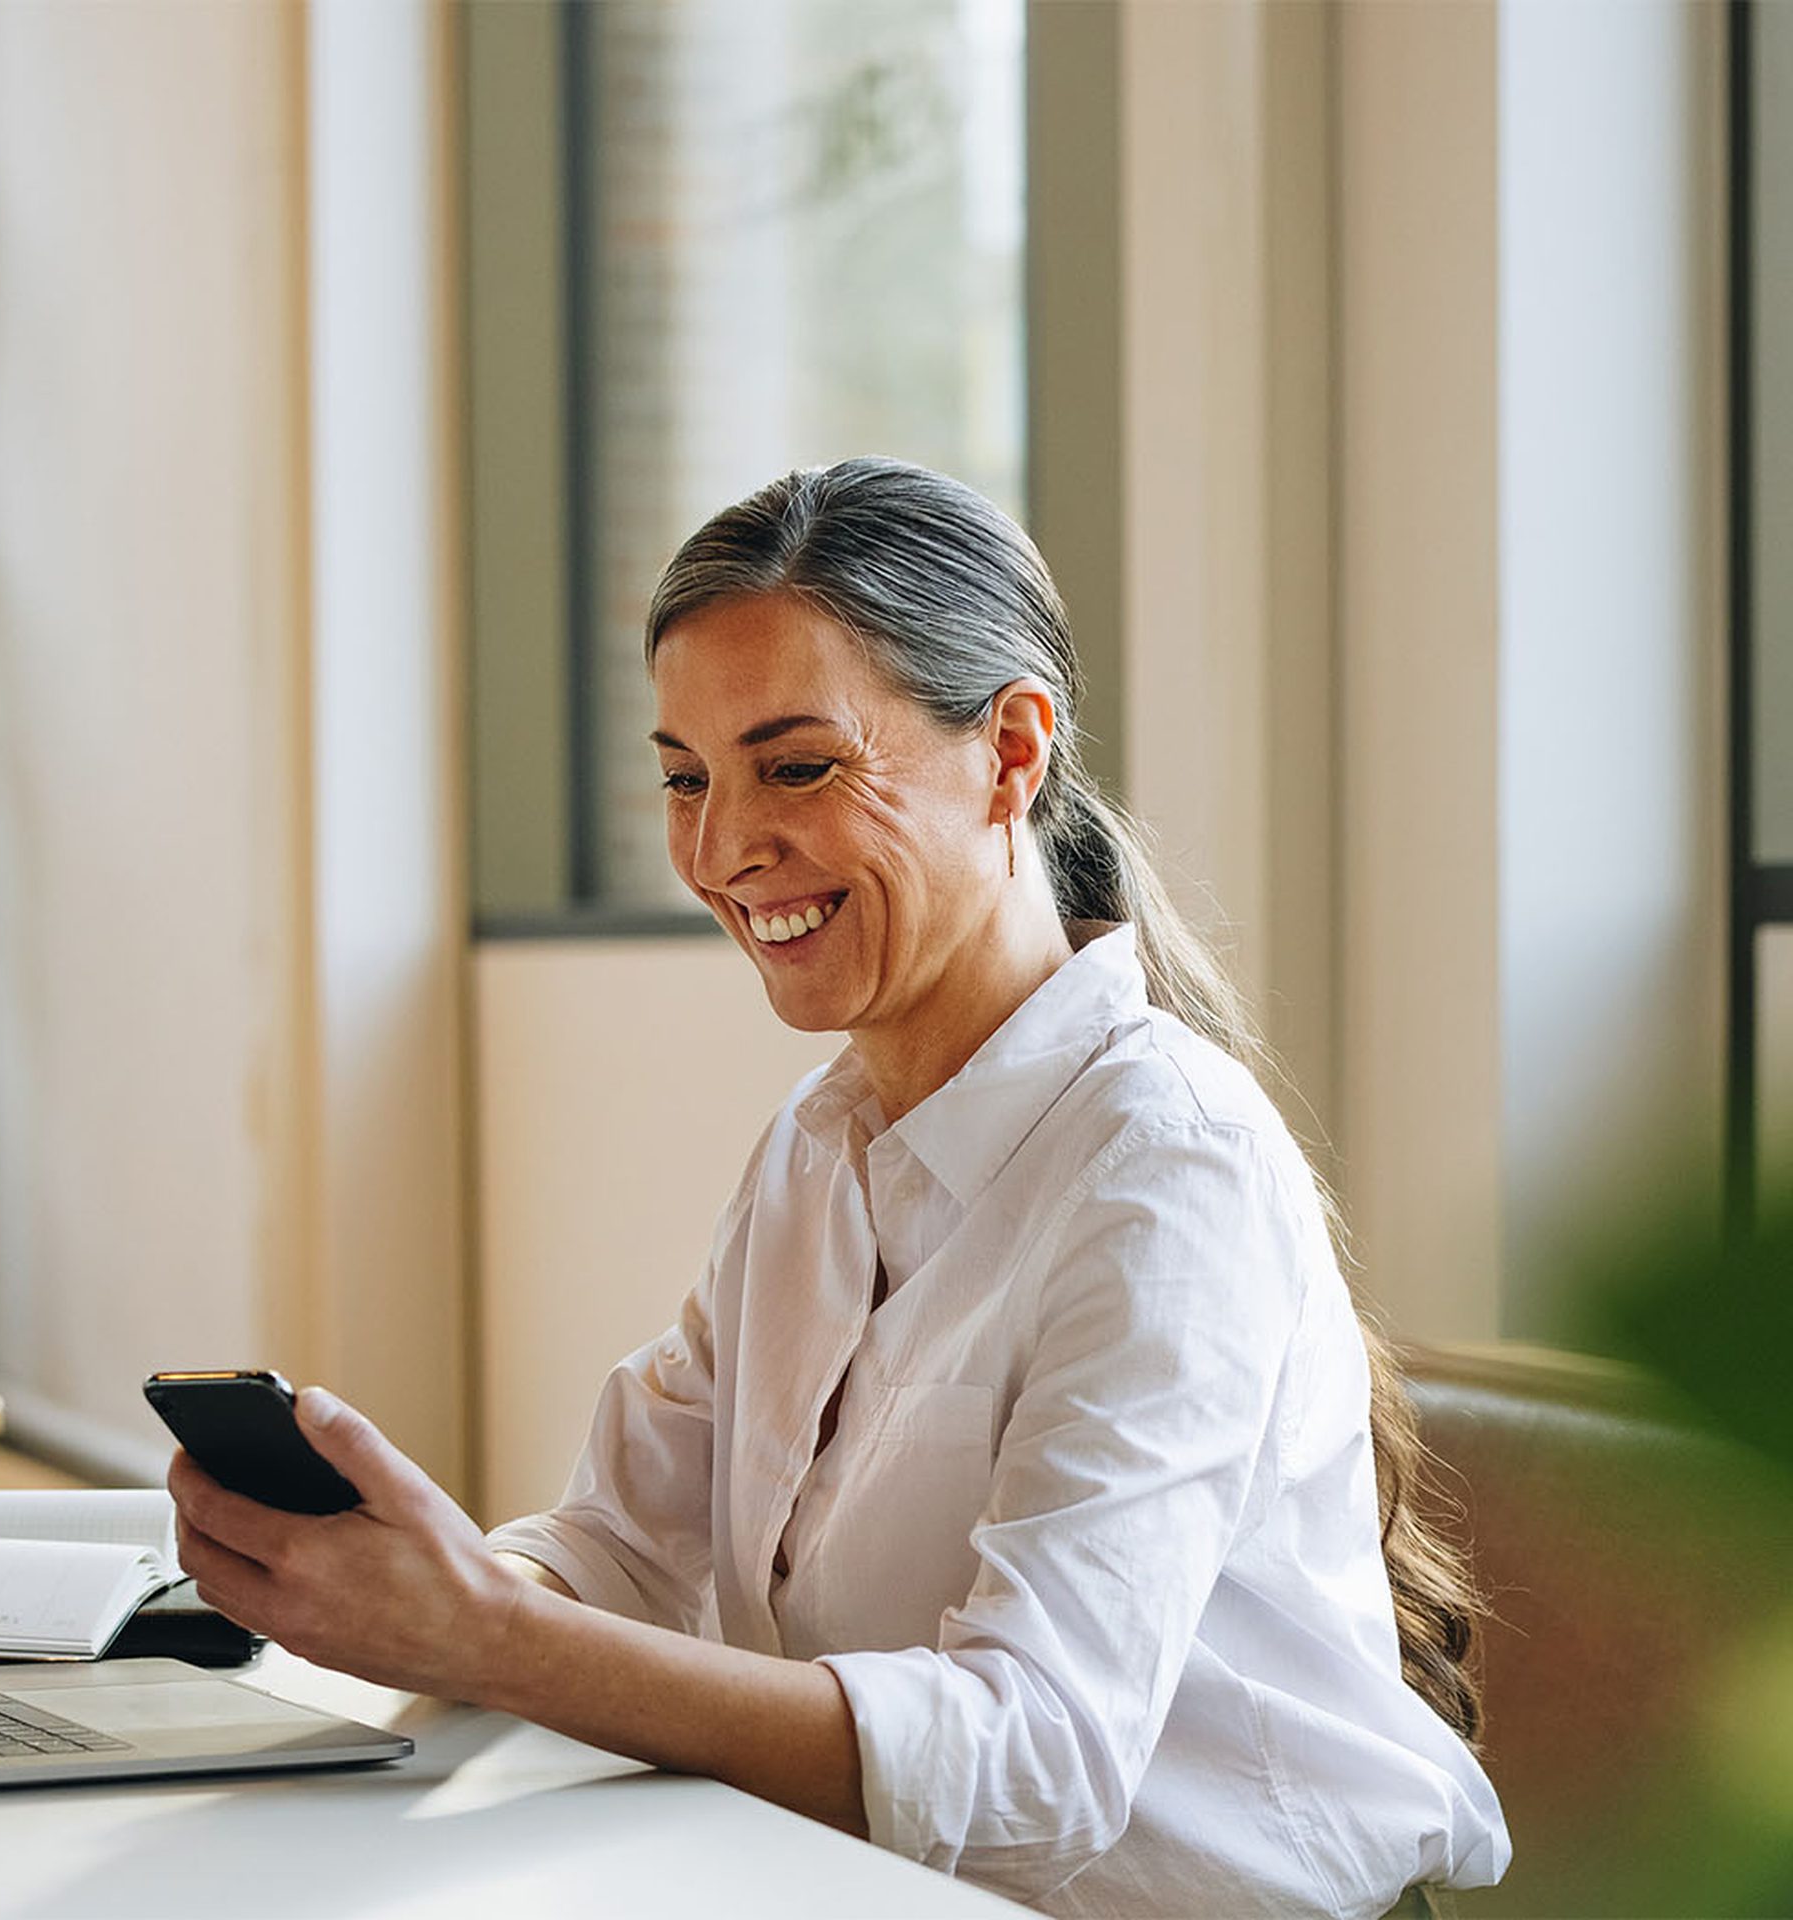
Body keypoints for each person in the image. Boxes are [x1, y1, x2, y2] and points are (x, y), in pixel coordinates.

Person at [169, 460, 1511, 1918]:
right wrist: (416, 1593)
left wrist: (489, 1636)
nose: (723, 848)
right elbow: (622, 1546)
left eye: (796, 766)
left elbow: (1036, 1765)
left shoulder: (1165, 1169)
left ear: (1011, 752)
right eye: (686, 777)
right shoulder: (824, 1145)